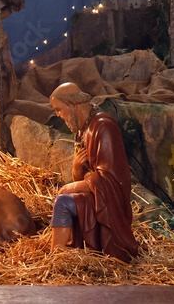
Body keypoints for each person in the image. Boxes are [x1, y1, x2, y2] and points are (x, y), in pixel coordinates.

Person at [49, 82, 138, 262]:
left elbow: (110, 179)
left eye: (59, 109)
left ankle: (55, 258)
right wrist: (76, 168)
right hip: (96, 197)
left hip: (109, 203)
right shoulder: (82, 129)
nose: (58, 114)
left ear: (72, 104)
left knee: (63, 202)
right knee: (63, 199)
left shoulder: (103, 127)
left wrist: (70, 187)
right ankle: (61, 254)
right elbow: (85, 177)